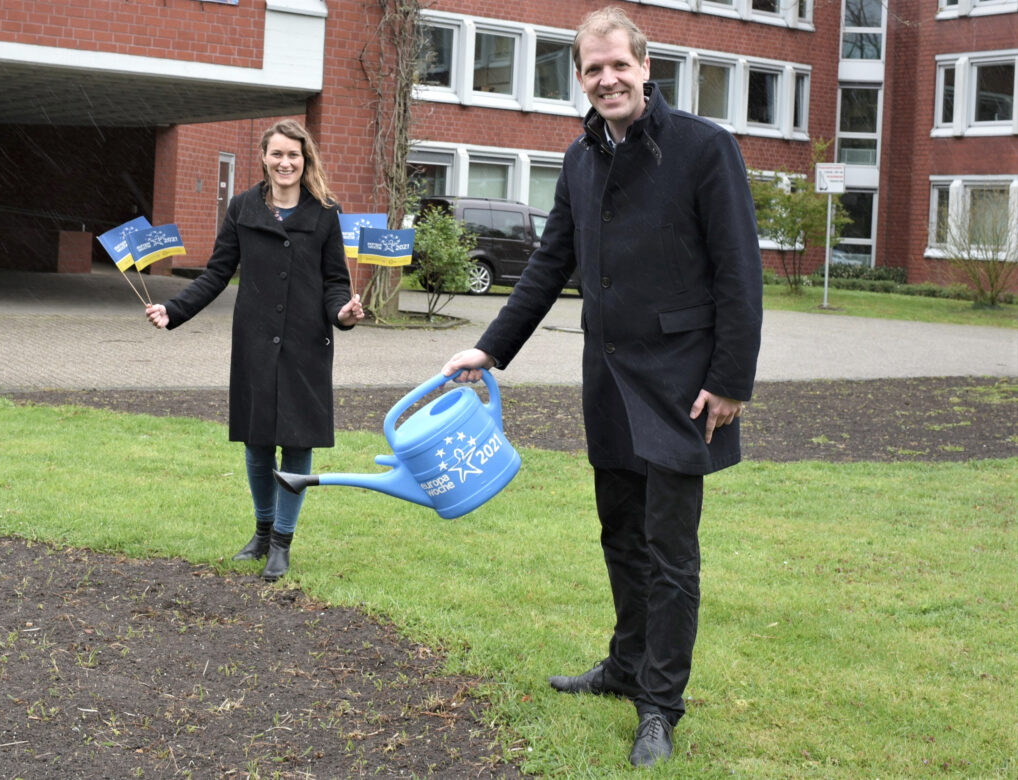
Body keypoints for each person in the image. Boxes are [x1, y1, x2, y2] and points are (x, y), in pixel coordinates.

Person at [441, 6, 763, 768]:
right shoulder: (580, 157)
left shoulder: (705, 148)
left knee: (670, 552)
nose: (607, 79)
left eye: (619, 65)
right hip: (609, 385)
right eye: (593, 70)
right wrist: (490, 350)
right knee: (620, 535)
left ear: (646, 67)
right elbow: (552, 263)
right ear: (579, 80)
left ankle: (660, 704)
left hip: (685, 388)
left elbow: (738, 274)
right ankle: (624, 666)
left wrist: (729, 381)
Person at [146, 118, 364, 582]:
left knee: (297, 443)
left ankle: (282, 543)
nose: (285, 162)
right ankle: (261, 534)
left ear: (305, 161)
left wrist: (342, 313)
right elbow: (215, 273)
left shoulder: (325, 212)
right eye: (277, 154)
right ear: (264, 158)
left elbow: (334, 282)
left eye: (294, 155)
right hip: (255, 342)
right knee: (257, 440)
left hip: (306, 345)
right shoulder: (243, 207)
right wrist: (174, 309)